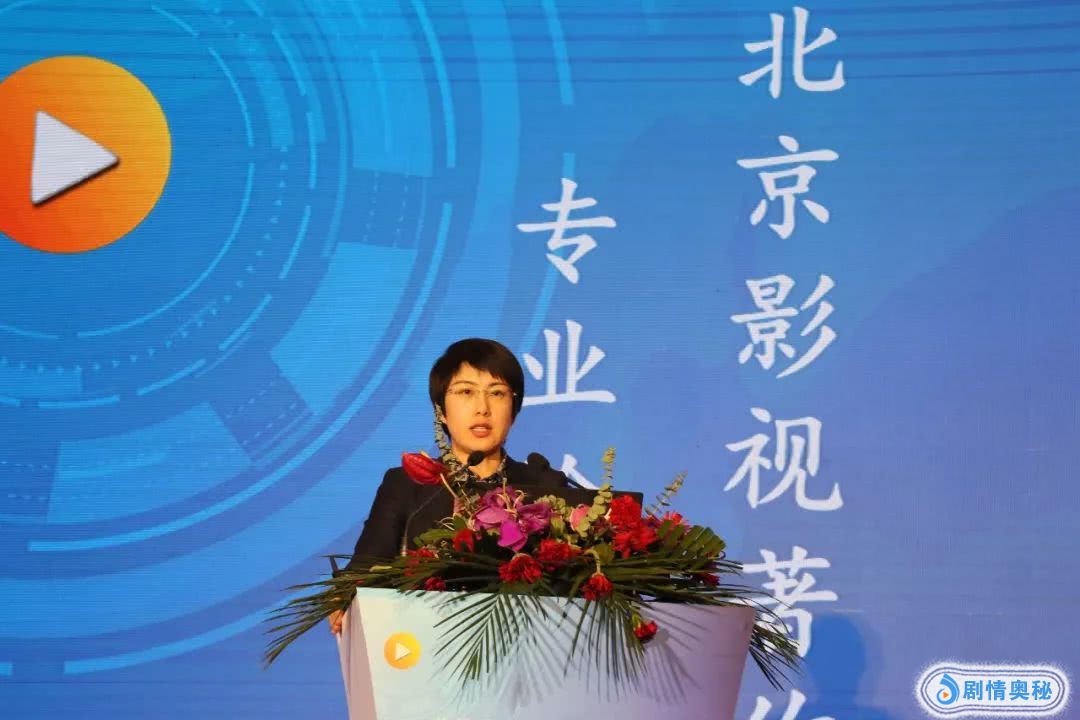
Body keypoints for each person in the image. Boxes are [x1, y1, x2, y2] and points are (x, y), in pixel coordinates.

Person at [330, 338, 569, 634]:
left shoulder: (545, 485)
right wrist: (345, 597)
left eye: (497, 393)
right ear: (441, 410)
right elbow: (365, 569)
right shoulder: (406, 485)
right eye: (466, 391)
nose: (482, 408)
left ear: (514, 410)